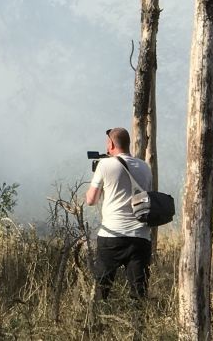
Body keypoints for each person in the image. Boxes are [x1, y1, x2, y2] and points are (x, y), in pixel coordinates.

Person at [85, 127, 153, 301]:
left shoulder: (105, 164)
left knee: (102, 289)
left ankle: (97, 324)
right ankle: (139, 326)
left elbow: (91, 200)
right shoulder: (145, 167)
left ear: (111, 144)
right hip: (140, 236)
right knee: (139, 292)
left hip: (112, 235)